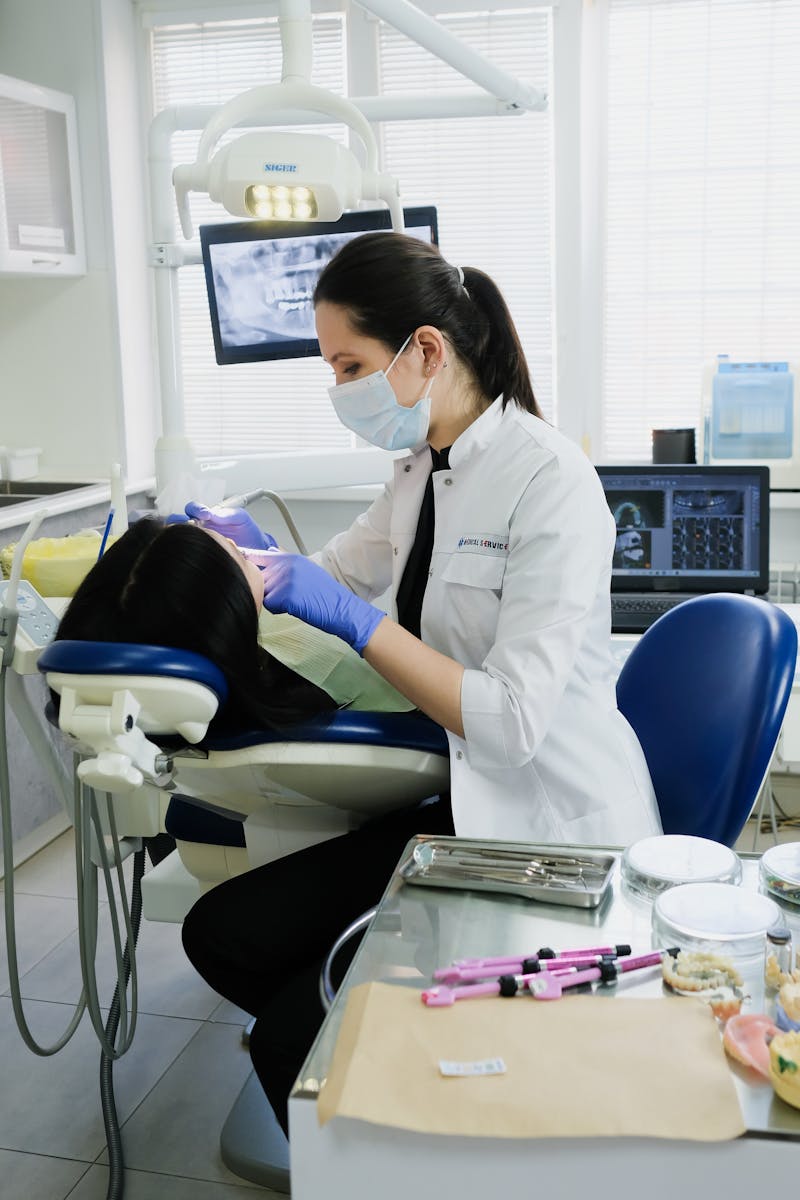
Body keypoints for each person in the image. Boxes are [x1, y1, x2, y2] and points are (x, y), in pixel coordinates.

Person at [181, 232, 662, 1137]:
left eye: (350, 364)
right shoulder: (417, 471)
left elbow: (513, 723)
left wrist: (364, 624)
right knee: (221, 935)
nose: (339, 390)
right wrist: (237, 554)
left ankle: (410, 1123)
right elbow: (316, 575)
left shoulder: (549, 480)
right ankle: (392, 1085)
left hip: (550, 831)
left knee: (294, 1040)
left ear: (426, 351)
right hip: (461, 803)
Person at [55, 516, 414, 731]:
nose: (231, 540)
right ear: (226, 608)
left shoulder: (189, 633)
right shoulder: (281, 681)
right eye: (236, 553)